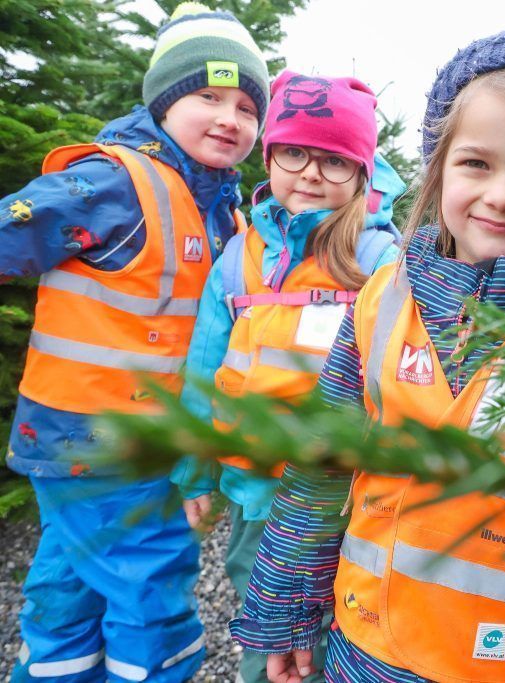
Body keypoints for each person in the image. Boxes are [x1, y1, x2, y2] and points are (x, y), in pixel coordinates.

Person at [230, 28, 505, 683]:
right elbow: (320, 467)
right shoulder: (383, 299)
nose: (503, 194)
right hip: (373, 647)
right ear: (439, 169)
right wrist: (288, 610)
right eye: (476, 163)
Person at [1, 3, 269, 680]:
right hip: (101, 438)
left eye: (247, 107)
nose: (230, 118)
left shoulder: (225, 212)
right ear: (163, 101)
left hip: (123, 440)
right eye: (208, 97)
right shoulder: (113, 181)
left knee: (69, 586)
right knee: (150, 587)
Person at [170, 69, 405, 683]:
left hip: (342, 497)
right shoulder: (239, 256)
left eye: (334, 160)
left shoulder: (378, 258)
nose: (310, 174)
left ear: (361, 172)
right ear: (270, 156)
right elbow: (204, 368)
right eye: (294, 153)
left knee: (346, 623)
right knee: (266, 620)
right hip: (255, 488)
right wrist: (194, 468)